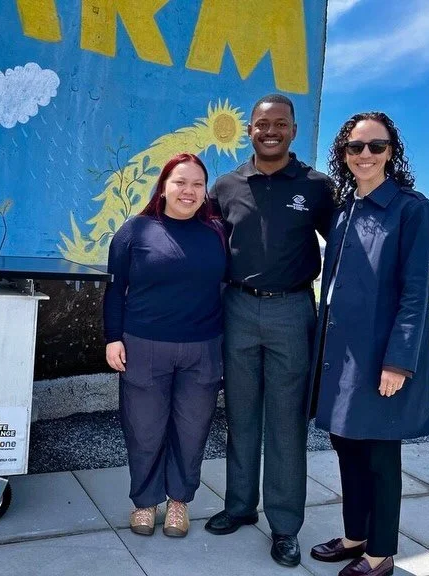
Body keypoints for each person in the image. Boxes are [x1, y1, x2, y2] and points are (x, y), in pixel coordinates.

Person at [204, 94, 335, 567]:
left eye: (281, 124)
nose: (271, 131)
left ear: (293, 131)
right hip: (237, 307)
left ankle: (284, 526)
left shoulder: (317, 187)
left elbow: (347, 245)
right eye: (263, 124)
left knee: (285, 423)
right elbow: (203, 242)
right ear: (250, 130)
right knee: (240, 416)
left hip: (292, 311)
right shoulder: (226, 186)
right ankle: (240, 506)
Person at [309, 112, 429, 576]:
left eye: (375, 146)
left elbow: (415, 292)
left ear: (390, 152)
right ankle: (355, 535)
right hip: (340, 354)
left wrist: (398, 361)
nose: (365, 154)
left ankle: (381, 552)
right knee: (346, 445)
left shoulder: (412, 209)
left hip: (382, 356)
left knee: (380, 454)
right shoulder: (345, 210)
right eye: (355, 147)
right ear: (343, 154)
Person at [103, 153, 227, 538]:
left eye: (197, 184)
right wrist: (112, 338)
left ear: (205, 192)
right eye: (180, 182)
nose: (188, 191)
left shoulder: (217, 234)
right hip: (144, 346)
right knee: (144, 429)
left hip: (202, 349)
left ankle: (178, 502)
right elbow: (114, 290)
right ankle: (145, 502)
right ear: (163, 187)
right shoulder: (135, 231)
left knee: (192, 431)